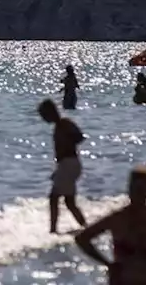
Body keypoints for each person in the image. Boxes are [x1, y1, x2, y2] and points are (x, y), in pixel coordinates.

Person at [38, 98, 88, 233]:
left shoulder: (64, 124)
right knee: (69, 202)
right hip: (67, 165)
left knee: (54, 198)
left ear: (50, 113)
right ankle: (85, 227)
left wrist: (69, 141)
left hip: (69, 164)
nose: (43, 119)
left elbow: (79, 137)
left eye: (44, 116)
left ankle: (53, 230)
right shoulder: (60, 125)